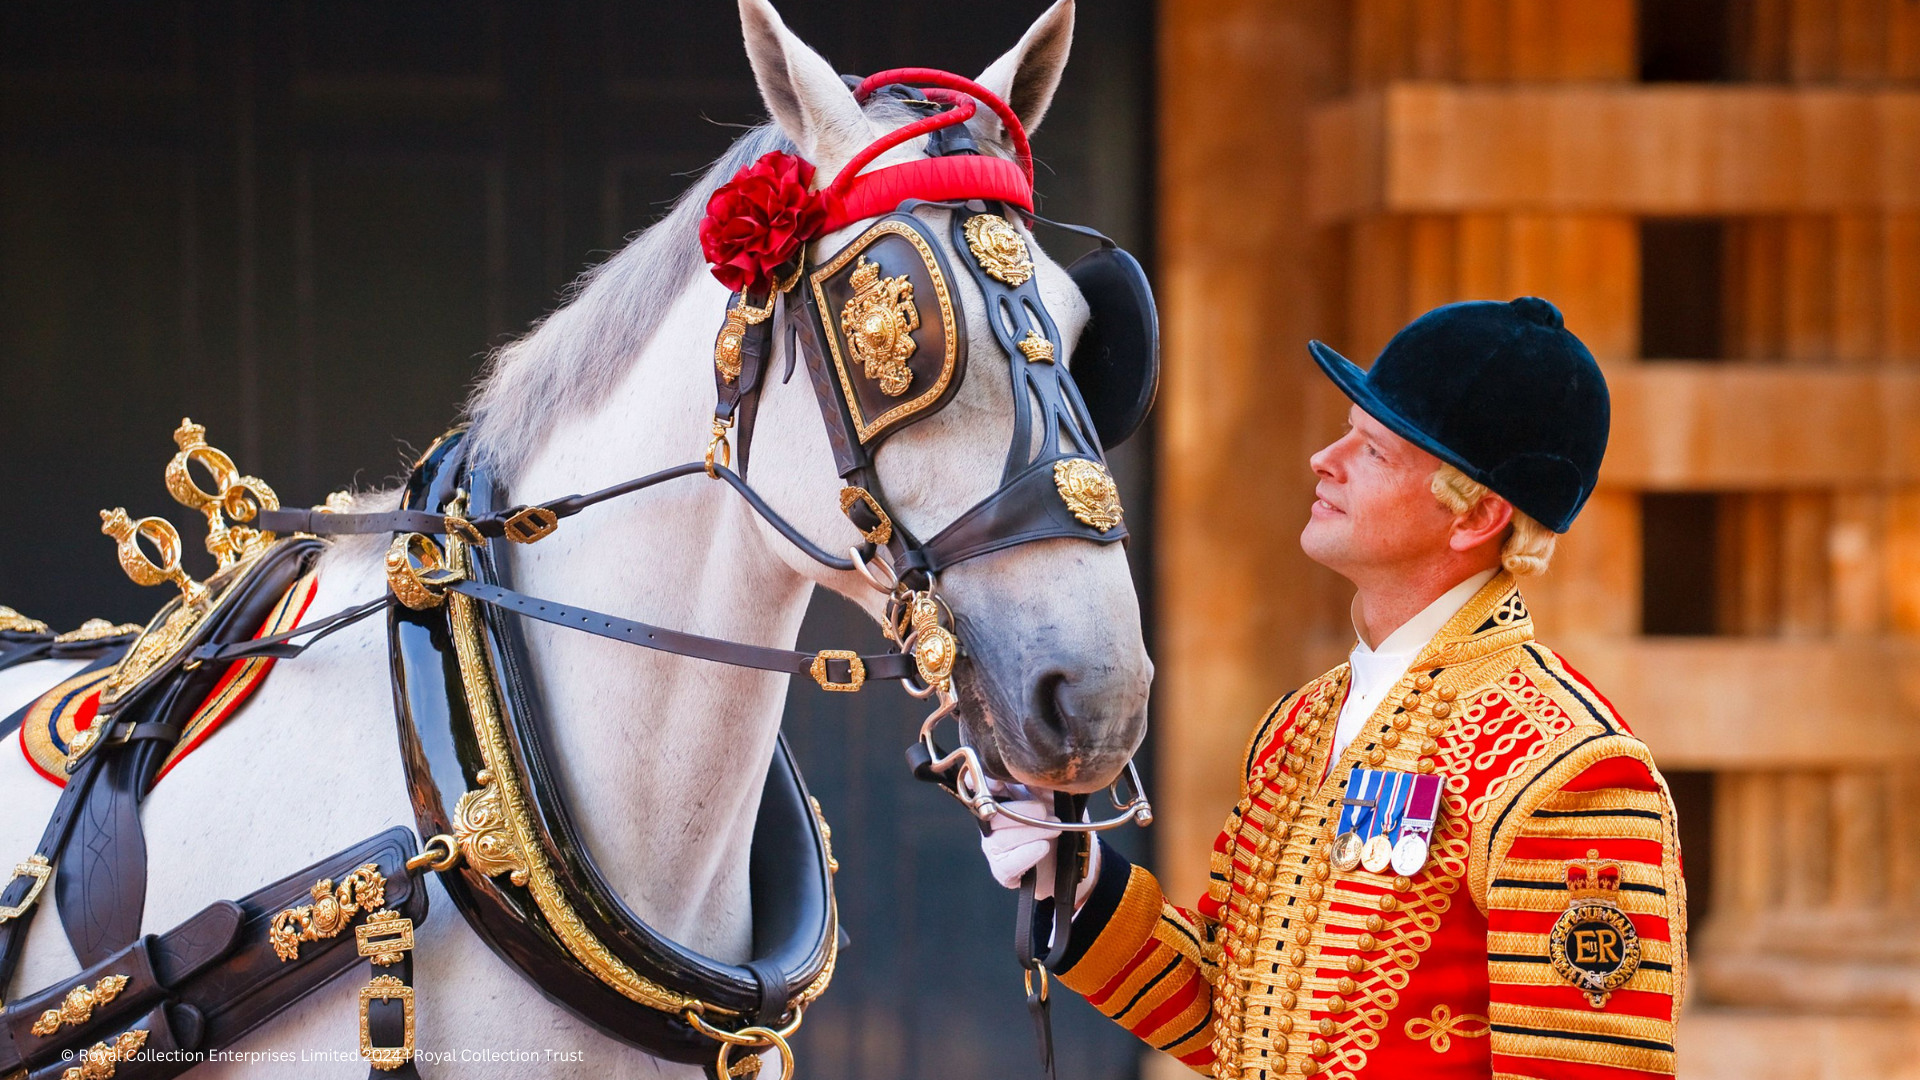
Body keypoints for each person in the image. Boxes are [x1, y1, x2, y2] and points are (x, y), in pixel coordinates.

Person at [980, 298, 1685, 1079]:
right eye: (1347, 429)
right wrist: (1078, 879)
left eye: (1374, 450)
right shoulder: (1300, 723)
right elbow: (1235, 1017)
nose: (1325, 457)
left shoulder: (1567, 766)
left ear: (1475, 515)